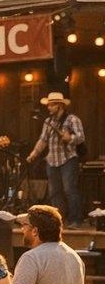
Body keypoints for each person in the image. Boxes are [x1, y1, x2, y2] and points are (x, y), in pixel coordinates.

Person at [26, 93, 86, 229]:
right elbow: (43, 140)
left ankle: (75, 220)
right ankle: (58, 221)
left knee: (70, 189)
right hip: (52, 160)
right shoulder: (48, 122)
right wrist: (34, 153)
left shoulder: (72, 119)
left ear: (60, 105)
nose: (49, 107)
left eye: (51, 104)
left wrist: (69, 138)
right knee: (54, 192)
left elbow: (81, 137)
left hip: (68, 159)